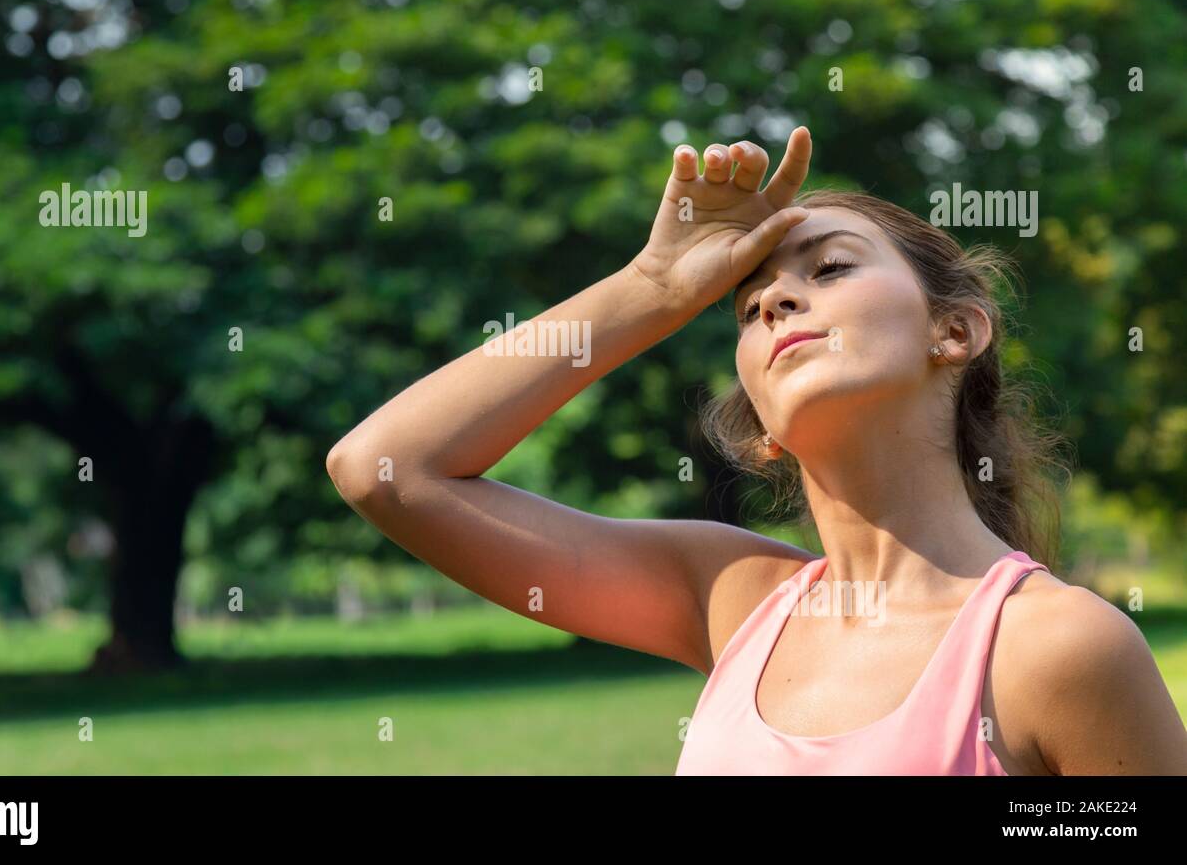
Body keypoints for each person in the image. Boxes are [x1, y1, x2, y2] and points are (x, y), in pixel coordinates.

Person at [326, 127, 1187, 774]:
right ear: (763, 431)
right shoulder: (733, 602)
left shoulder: (1059, 649)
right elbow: (386, 469)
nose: (775, 301)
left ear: (953, 330)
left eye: (831, 268)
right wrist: (653, 289)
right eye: (746, 306)